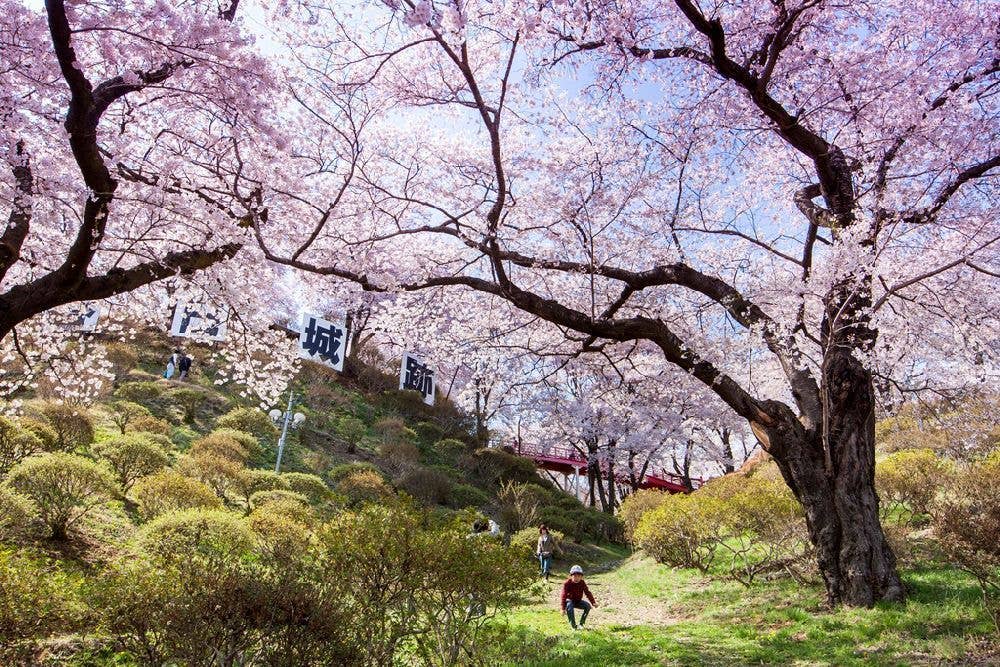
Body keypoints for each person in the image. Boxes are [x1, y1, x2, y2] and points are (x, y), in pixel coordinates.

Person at [560, 565, 597, 630]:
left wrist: (593, 602)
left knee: (587, 606)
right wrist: (563, 608)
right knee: (569, 606)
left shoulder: (582, 583)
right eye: (575, 576)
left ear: (581, 577)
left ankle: (581, 624)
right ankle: (573, 626)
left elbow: (587, 592)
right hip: (570, 600)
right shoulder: (567, 583)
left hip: (578, 601)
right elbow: (563, 595)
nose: (577, 578)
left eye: (579, 576)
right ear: (571, 576)